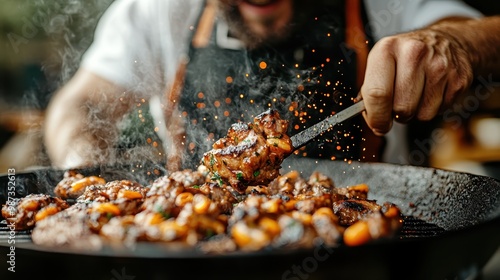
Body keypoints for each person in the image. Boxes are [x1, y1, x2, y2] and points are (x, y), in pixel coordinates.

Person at [43, 0, 500, 171]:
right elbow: (78, 105)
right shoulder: (159, 8)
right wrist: (85, 171)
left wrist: (455, 42)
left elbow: (483, 33)